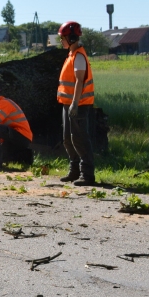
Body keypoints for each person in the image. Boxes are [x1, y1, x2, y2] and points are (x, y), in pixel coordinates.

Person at [57, 21, 96, 185]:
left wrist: (75, 103)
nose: (61, 41)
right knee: (68, 139)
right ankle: (74, 171)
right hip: (68, 104)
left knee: (79, 138)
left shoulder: (79, 56)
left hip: (78, 104)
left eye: (63, 38)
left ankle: (87, 174)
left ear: (71, 38)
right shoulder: (71, 55)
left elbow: (80, 81)